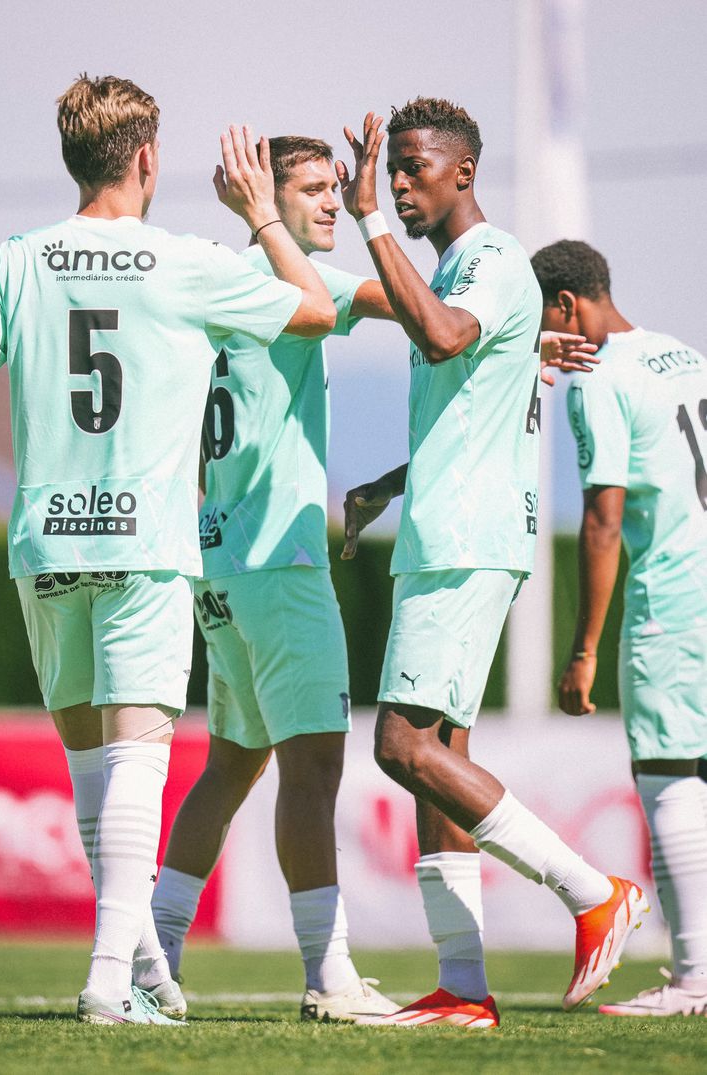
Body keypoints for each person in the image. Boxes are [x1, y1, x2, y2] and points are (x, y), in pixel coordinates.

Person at [0, 74, 336, 1027]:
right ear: (147, 158)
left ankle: (142, 965)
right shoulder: (181, 260)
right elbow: (317, 308)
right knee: (138, 761)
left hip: (47, 545)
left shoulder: (18, 257)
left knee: (93, 773)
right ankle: (106, 977)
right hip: (144, 545)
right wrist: (262, 213)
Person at [336, 99, 647, 1028]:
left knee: (401, 746)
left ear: (463, 172)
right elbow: (468, 410)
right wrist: (389, 484)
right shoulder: (460, 272)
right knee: (439, 756)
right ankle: (463, 986)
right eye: (392, 170)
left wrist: (366, 217)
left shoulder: (491, 258)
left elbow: (442, 335)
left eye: (414, 168)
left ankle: (593, 890)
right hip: (454, 532)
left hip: (465, 543)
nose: (399, 183)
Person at [130, 135, 399, 1023]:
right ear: (267, 198)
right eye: (311, 188)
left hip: (218, 562)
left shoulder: (215, 283)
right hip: (280, 565)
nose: (329, 202)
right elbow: (396, 305)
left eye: (333, 187)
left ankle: (155, 950)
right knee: (313, 765)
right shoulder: (285, 283)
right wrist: (509, 333)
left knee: (232, 764)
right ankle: (330, 976)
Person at [533, 238, 707, 1018]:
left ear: (567, 305)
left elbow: (603, 521)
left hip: (675, 596)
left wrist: (582, 649)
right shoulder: (684, 353)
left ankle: (694, 978)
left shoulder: (599, 377)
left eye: (542, 319)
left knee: (669, 777)